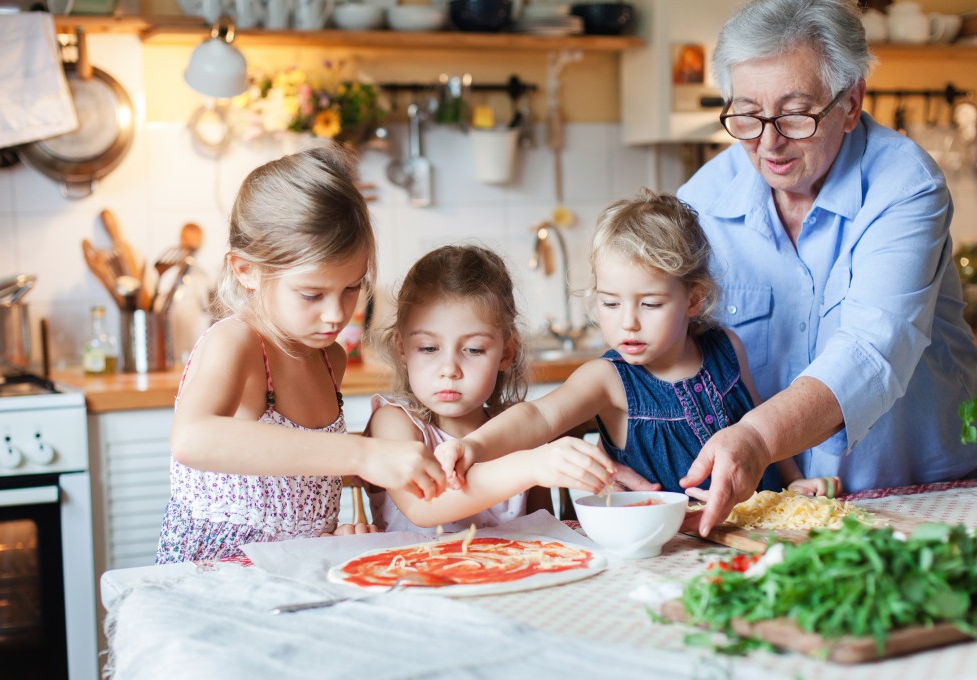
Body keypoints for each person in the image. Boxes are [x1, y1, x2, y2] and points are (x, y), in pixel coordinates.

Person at [675, 0, 977, 536]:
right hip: (782, 508)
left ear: (850, 103)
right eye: (747, 114)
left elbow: (872, 347)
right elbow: (667, 342)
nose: (768, 142)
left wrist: (755, 437)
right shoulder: (701, 200)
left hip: (926, 499)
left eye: (795, 114)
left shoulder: (904, 185)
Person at [156, 142, 447, 564]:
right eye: (312, 294)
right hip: (215, 577)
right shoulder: (238, 342)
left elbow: (293, 467)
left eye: (352, 288)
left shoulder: (330, 359)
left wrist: (350, 502)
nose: (336, 315)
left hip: (292, 570)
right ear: (247, 270)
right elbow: (192, 438)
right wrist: (362, 455)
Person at [434, 191, 830, 497]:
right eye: (610, 302)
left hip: (766, 530)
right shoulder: (606, 379)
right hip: (675, 553)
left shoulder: (726, 347)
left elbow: (760, 423)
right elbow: (538, 418)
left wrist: (794, 480)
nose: (628, 323)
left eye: (651, 304)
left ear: (693, 299)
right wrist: (474, 446)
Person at [366, 244, 614, 532]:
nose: (449, 369)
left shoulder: (520, 434)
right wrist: (533, 466)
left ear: (506, 352)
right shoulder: (394, 422)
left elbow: (543, 532)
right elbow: (422, 507)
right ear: (402, 348)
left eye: (473, 350)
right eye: (429, 347)